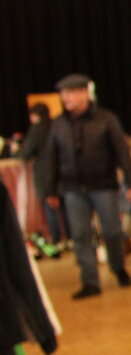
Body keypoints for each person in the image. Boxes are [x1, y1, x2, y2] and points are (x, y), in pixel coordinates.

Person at [37, 73, 131, 300]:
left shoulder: (106, 119)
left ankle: (118, 267)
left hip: (103, 186)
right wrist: (51, 190)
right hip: (73, 189)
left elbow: (122, 152)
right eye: (63, 94)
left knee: (112, 231)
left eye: (70, 93)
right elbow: (51, 158)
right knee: (80, 235)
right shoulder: (58, 124)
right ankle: (90, 281)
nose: (65, 98)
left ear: (84, 93)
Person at [16, 103, 64, 252]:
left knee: (50, 208)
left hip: (45, 174)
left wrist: (18, 152)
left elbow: (25, 154)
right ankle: (70, 238)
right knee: (65, 207)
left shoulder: (37, 129)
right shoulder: (58, 125)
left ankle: (57, 240)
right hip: (63, 172)